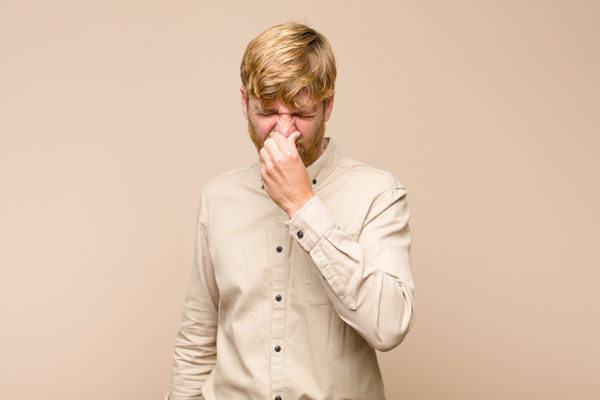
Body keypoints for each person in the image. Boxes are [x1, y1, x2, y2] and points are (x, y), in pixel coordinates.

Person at [166, 22, 415, 400]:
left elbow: (389, 326)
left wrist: (303, 206)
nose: (283, 132)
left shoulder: (378, 193)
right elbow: (197, 335)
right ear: (244, 103)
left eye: (301, 112)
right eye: (267, 111)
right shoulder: (218, 197)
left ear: (328, 106)